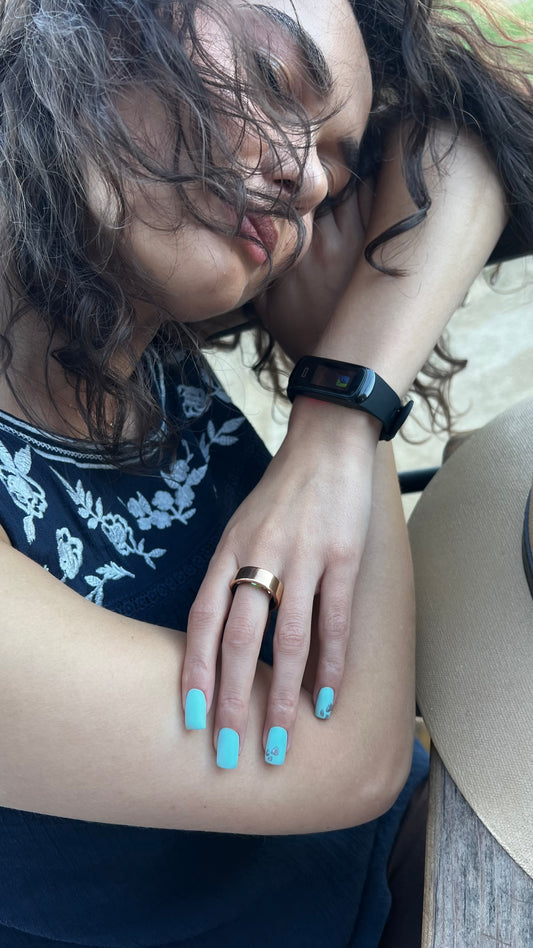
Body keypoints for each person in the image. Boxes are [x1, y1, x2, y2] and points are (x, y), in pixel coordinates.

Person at [0, 2, 530, 948]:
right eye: (276, 76)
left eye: (338, 173)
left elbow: (467, 135)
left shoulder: (119, 320)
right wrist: (355, 406)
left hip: (430, 857)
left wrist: (333, 415)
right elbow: (345, 758)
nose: (304, 182)